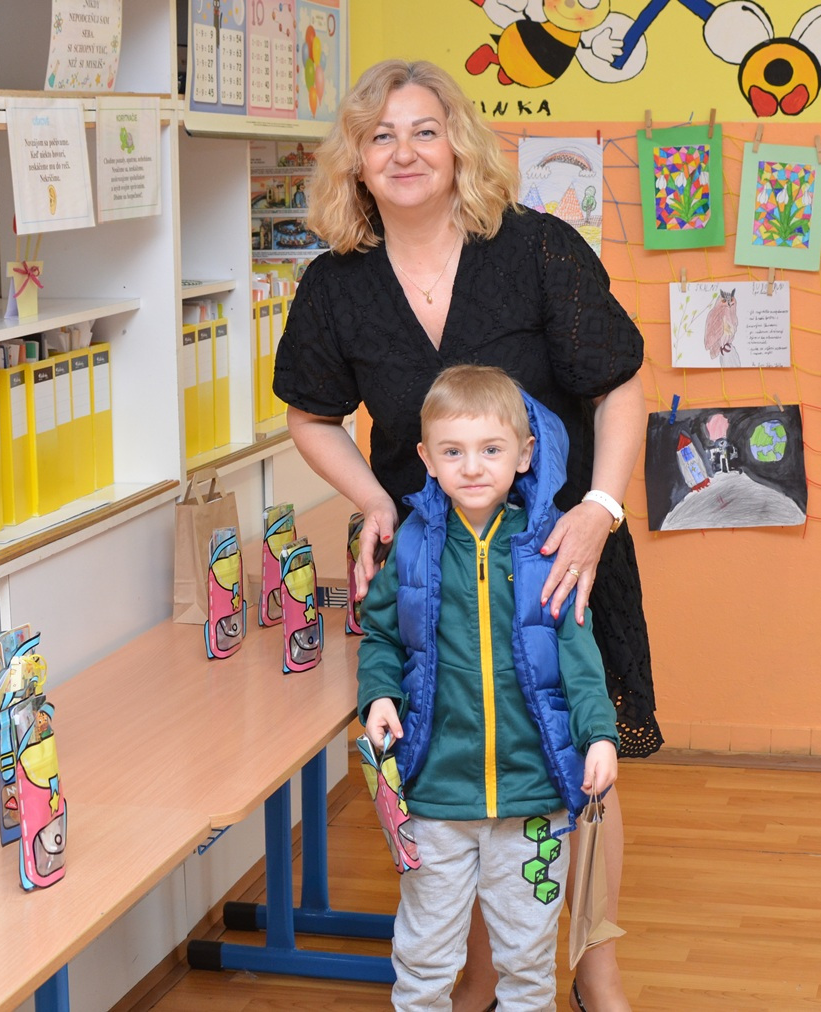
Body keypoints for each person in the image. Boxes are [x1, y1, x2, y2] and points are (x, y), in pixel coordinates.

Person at [273, 58, 660, 1011]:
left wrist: (600, 512)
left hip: (562, 550)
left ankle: (594, 971)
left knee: (575, 753)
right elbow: (311, 416)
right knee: (465, 762)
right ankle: (485, 979)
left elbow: (619, 387)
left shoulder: (536, 250)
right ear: (355, 162)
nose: (404, 152)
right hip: (435, 567)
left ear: (459, 147)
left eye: (424, 131)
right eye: (380, 136)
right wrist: (376, 502)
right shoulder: (336, 286)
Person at [359, 365, 619, 1011]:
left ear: (524, 454)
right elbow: (382, 636)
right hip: (436, 797)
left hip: (533, 797)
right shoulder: (412, 546)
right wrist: (379, 694)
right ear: (427, 459)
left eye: (491, 449)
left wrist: (599, 735)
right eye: (453, 452)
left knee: (528, 960)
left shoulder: (549, 548)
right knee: (424, 955)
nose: (472, 467)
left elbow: (580, 658)